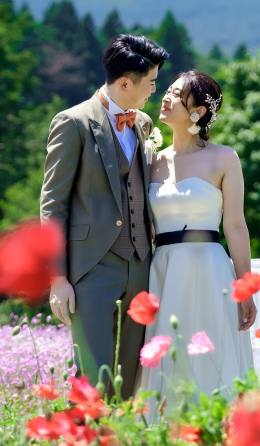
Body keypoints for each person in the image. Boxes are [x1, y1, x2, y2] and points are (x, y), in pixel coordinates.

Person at [40, 33, 169, 398]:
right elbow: (53, 205)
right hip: (90, 266)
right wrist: (58, 278)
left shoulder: (143, 124)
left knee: (133, 372)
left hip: (141, 263)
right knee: (92, 377)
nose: (153, 92)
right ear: (125, 82)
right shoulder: (73, 122)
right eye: (151, 84)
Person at [138, 71, 255, 409]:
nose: (166, 97)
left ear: (197, 112)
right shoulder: (151, 162)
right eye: (168, 90)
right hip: (163, 269)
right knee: (166, 350)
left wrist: (245, 286)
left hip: (210, 269)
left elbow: (235, 225)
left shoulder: (224, 158)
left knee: (211, 348)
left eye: (176, 94)